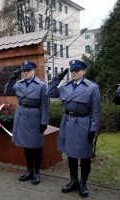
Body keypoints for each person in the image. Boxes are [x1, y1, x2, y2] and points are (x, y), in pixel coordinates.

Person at [47, 60, 101, 198]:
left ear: (84, 71)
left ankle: (83, 183)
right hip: (68, 122)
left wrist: (93, 129)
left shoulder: (92, 88)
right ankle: (73, 181)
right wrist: (57, 79)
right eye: (72, 70)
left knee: (84, 156)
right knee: (71, 154)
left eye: (77, 70)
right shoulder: (66, 86)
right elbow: (50, 93)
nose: (74, 73)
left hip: (83, 123)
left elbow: (96, 111)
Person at [4, 61, 49, 185]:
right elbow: (8, 91)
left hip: (35, 117)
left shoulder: (41, 85)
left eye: (28, 70)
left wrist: (44, 121)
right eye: (24, 71)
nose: (26, 73)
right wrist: (13, 77)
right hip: (22, 116)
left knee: (37, 146)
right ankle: (29, 171)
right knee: (27, 146)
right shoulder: (18, 84)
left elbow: (45, 105)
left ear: (34, 71)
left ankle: (37, 173)